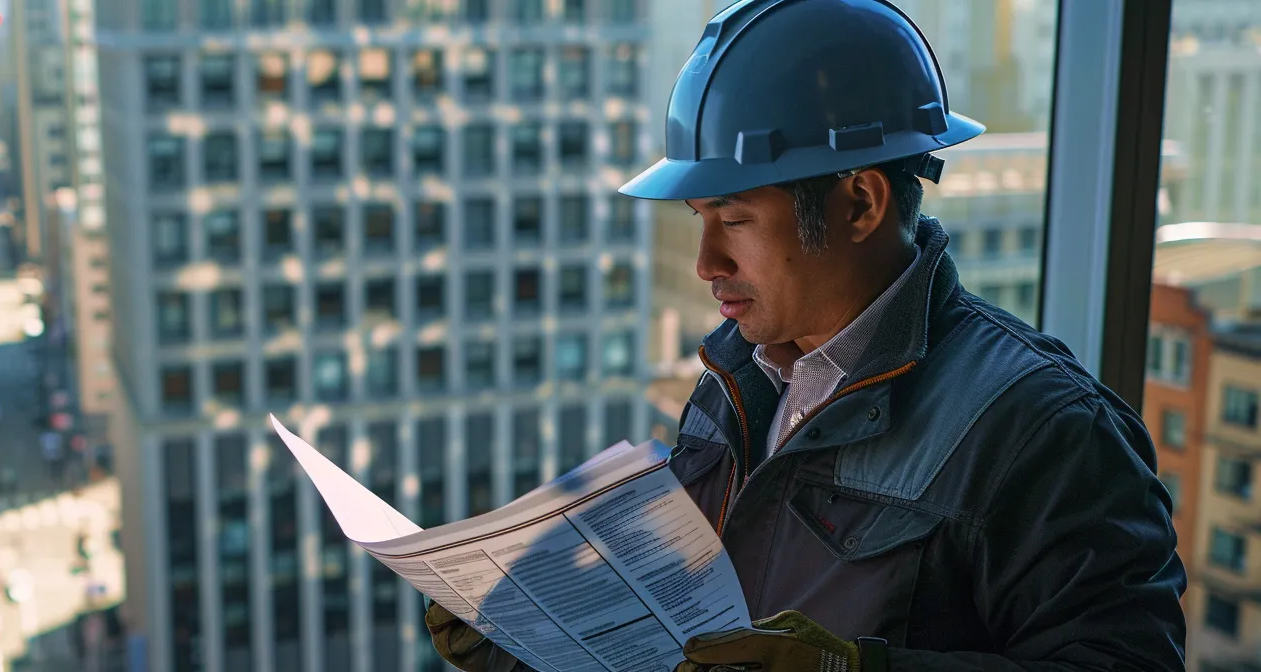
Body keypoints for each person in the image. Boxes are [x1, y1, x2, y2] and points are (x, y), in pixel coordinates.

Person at [424, 0, 1187, 670]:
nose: (706, 263)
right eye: (700, 220)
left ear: (859, 204)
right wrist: (530, 639)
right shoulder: (737, 377)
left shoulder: (1043, 430)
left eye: (734, 220)